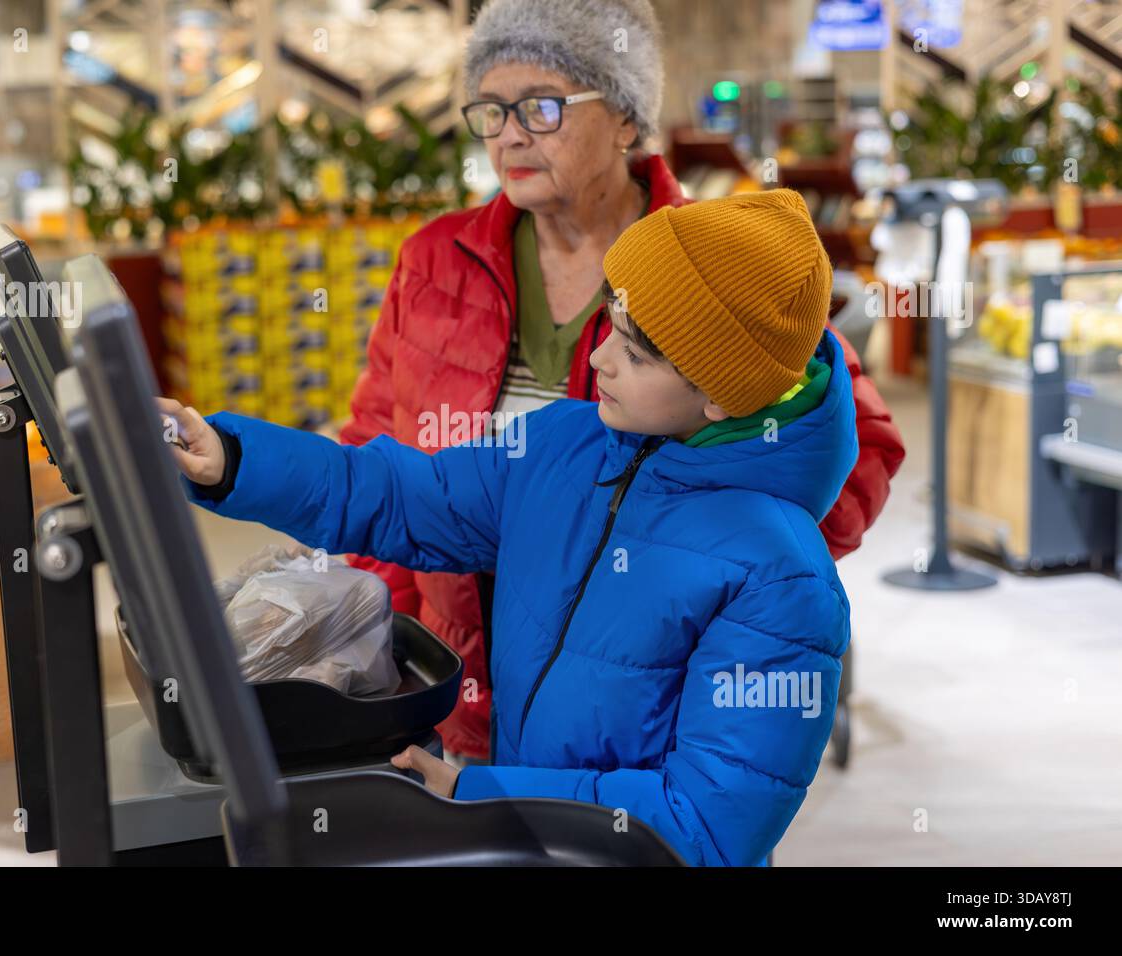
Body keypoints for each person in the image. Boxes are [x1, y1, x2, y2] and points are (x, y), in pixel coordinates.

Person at [162, 189, 859, 866]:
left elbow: (705, 827)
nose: (598, 360)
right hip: (534, 838)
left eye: (637, 354)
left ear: (720, 395)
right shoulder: (564, 444)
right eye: (612, 324)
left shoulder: (781, 580)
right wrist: (234, 462)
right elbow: (404, 496)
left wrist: (480, 792)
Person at [337, 0, 904, 763]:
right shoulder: (435, 260)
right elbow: (380, 450)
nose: (509, 134)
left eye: (540, 106)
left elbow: (855, 443)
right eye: (491, 109)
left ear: (628, 119)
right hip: (462, 691)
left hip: (644, 712)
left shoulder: (708, 258)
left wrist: (727, 582)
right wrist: (400, 650)